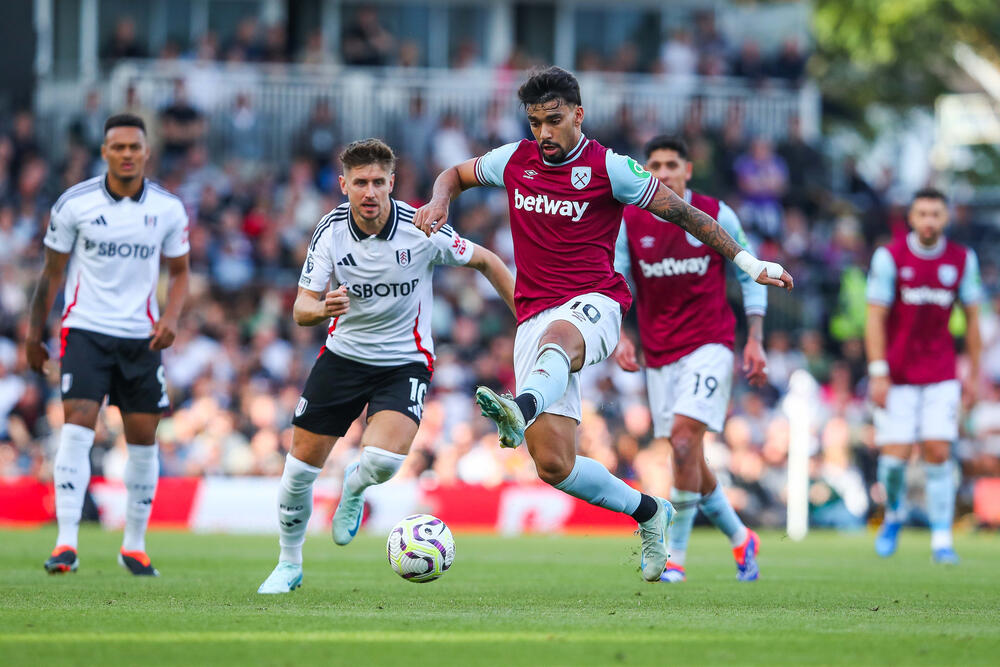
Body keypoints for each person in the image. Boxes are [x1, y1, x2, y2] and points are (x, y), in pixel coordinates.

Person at [413, 66, 793, 582]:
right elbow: (454, 175)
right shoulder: (513, 160)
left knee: (559, 341)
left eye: (554, 120)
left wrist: (748, 264)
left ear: (578, 115)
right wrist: (439, 200)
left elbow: (685, 214)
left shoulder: (610, 167)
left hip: (595, 304)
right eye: (534, 123)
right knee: (554, 466)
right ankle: (649, 512)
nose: (544, 134)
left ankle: (518, 408)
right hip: (533, 314)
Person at [257, 139, 515, 594]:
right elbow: (301, 308)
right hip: (343, 358)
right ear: (344, 186)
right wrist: (322, 309)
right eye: (360, 183)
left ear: (392, 184)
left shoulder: (423, 228)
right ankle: (288, 563)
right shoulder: (330, 231)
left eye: (379, 182)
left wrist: (527, 320)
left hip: (404, 361)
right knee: (298, 472)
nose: (370, 191)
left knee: (382, 462)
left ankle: (353, 489)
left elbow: (488, 261)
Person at [26, 114, 190, 576]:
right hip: (86, 330)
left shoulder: (168, 209)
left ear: (146, 152)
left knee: (142, 440)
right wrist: (34, 333)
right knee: (77, 425)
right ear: (104, 152)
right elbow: (52, 273)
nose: (126, 154)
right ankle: (65, 544)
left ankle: (133, 546)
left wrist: (171, 319)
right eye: (117, 147)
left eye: (134, 147)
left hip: (141, 338)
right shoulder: (74, 204)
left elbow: (180, 272)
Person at [612, 136, 767, 583]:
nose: (663, 173)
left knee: (682, 443)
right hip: (660, 354)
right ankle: (741, 537)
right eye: (654, 166)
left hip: (710, 343)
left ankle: (675, 555)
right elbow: (618, 278)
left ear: (688, 170)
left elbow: (751, 272)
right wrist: (623, 333)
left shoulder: (717, 215)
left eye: (671, 165)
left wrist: (754, 337)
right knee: (688, 455)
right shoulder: (631, 220)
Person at [866, 187, 982, 564]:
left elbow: (975, 320)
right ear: (911, 219)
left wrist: (974, 375)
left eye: (936, 213)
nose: (929, 220)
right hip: (898, 375)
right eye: (923, 214)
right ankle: (894, 516)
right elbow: (875, 316)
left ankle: (942, 539)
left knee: (938, 451)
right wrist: (878, 370)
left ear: (945, 218)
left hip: (941, 373)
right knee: (895, 459)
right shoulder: (890, 257)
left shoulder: (962, 259)